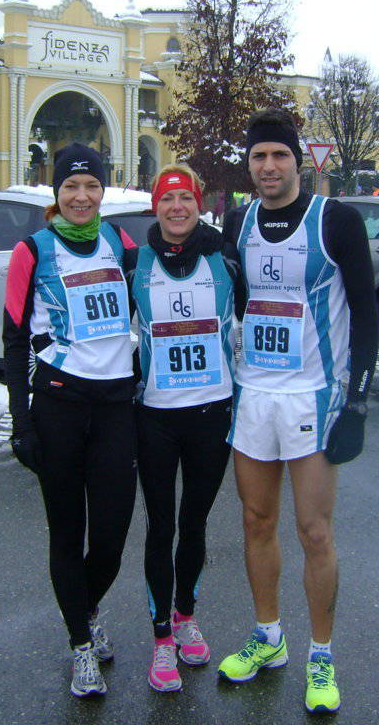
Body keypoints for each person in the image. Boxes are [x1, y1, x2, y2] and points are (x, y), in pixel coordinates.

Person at [217, 108, 379, 715]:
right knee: (256, 523)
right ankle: (268, 638)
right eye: (259, 156)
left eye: (279, 155)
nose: (268, 166)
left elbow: (365, 315)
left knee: (314, 532)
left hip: (314, 396)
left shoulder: (335, 222)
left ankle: (321, 653)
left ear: (299, 162)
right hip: (254, 395)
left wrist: (358, 402)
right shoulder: (237, 222)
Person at [2, 143, 140, 699]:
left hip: (114, 405)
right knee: (67, 531)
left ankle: (84, 610)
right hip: (57, 403)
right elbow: (13, 340)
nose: (81, 197)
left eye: (90, 186)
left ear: (102, 191)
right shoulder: (30, 251)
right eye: (70, 188)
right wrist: (21, 421)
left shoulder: (121, 243)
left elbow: (162, 283)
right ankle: (81, 641)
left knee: (111, 534)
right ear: (55, 195)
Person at [128, 164, 237, 693]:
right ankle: (161, 638)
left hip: (211, 412)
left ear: (199, 205)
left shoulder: (223, 260)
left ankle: (186, 613)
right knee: (161, 527)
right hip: (156, 416)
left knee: (194, 526)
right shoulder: (136, 263)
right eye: (167, 199)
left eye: (186, 199)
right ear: (156, 206)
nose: (177, 208)